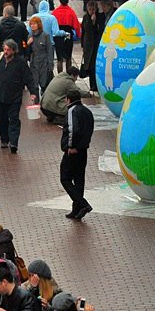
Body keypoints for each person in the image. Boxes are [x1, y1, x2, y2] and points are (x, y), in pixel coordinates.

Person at [0, 39, 39, 154]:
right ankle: (4, 139)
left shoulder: (20, 62)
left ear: (14, 51)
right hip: (0, 95)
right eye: (5, 49)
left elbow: (28, 77)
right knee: (2, 119)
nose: (6, 52)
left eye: (8, 50)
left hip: (15, 96)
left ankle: (14, 143)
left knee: (14, 119)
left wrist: (33, 92)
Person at [61, 89, 95, 220]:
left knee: (65, 178)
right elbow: (88, 130)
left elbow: (73, 130)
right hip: (83, 151)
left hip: (73, 151)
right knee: (79, 180)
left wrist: (71, 147)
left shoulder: (72, 111)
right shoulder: (87, 112)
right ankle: (76, 210)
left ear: (69, 99)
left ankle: (82, 204)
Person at [27, 15, 55, 93]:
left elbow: (49, 50)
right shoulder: (29, 36)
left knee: (44, 84)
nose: (32, 26)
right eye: (31, 24)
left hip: (44, 62)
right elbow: (27, 52)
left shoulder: (45, 35)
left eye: (34, 24)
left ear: (38, 25)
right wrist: (28, 44)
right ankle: (36, 103)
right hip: (34, 62)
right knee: (34, 85)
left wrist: (50, 64)